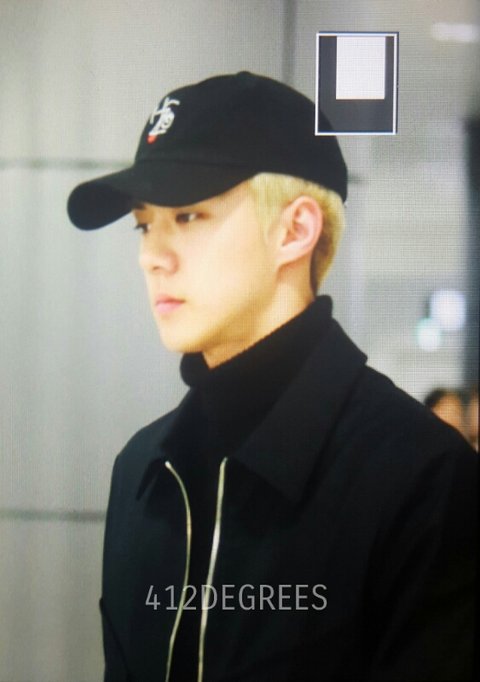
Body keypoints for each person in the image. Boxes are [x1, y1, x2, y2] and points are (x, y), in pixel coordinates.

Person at [67, 72, 478, 682]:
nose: (151, 256)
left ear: (295, 230)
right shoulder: (141, 472)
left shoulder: (425, 480)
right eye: (144, 224)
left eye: (189, 215)